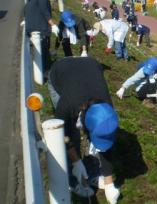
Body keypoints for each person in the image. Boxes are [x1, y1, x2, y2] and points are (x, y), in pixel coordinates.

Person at [47, 57, 120, 202]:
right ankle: (72, 179)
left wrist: (109, 182)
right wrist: (76, 162)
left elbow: (107, 144)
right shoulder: (68, 104)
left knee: (94, 136)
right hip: (59, 71)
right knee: (71, 132)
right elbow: (61, 134)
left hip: (90, 65)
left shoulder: (107, 108)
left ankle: (91, 171)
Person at [24, 0, 59, 72]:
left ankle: (43, 71)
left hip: (31, 28)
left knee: (38, 52)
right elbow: (45, 13)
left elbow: (26, 10)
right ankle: (46, 72)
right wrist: (53, 25)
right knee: (43, 51)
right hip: (40, 29)